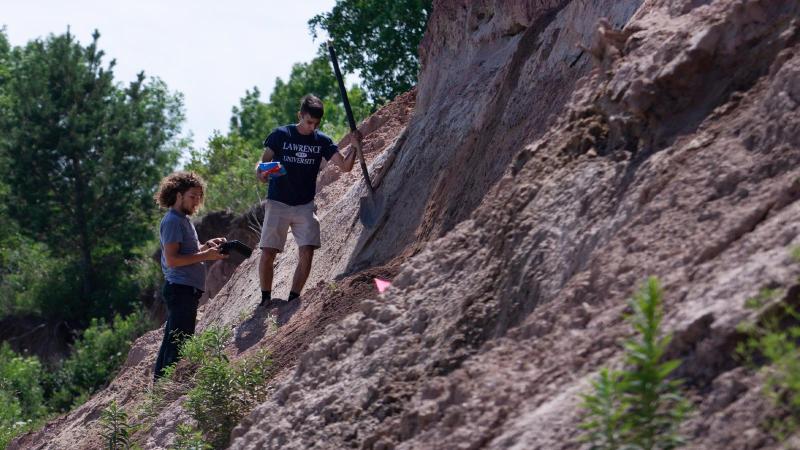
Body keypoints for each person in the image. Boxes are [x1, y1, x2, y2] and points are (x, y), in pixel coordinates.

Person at [256, 94, 360, 308]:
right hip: (278, 202)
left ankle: (293, 299)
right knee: (268, 251)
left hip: (304, 204)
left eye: (316, 123)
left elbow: (346, 166)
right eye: (308, 122)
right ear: (300, 115)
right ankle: (265, 299)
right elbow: (262, 164)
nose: (312, 127)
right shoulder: (280, 135)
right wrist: (262, 172)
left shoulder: (321, 140)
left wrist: (355, 146)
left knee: (308, 248)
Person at [153, 171, 228, 380]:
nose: (196, 201)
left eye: (199, 197)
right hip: (180, 288)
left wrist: (206, 246)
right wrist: (206, 254)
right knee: (179, 341)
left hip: (186, 288)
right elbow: (173, 260)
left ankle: (160, 386)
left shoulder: (183, 220)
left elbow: (188, 253)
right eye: (192, 196)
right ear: (178, 195)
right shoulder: (173, 221)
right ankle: (167, 388)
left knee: (173, 339)